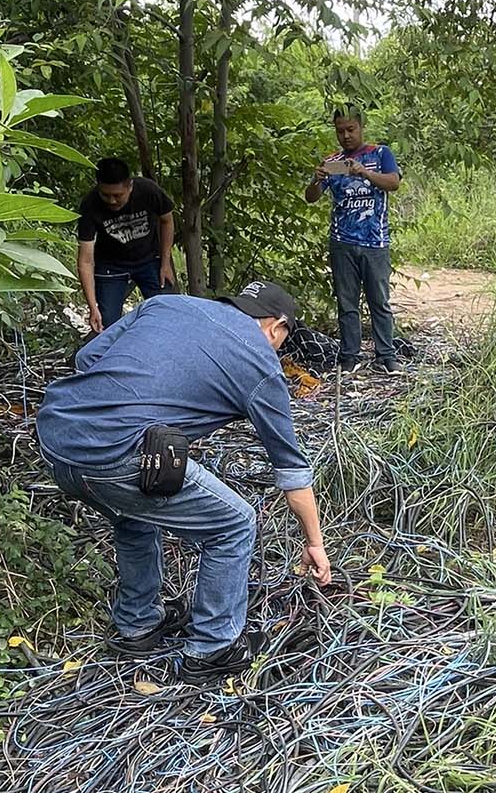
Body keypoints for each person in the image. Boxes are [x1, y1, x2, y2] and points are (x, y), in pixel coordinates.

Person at [35, 280, 332, 682]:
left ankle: (137, 624)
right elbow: (293, 474)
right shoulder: (260, 362)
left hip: (56, 435)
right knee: (234, 523)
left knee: (134, 512)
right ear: (276, 326)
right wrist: (314, 543)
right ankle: (213, 649)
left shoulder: (165, 305)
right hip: (115, 453)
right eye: (284, 338)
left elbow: (88, 358)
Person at [304, 107, 401, 372]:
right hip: (341, 241)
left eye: (350, 129)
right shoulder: (332, 161)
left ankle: (386, 356)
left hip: (375, 241)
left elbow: (393, 183)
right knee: (346, 302)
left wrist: (365, 173)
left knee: (378, 300)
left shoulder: (380, 154)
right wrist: (317, 179)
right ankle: (349, 357)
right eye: (340, 131)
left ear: (361, 127)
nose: (345, 136)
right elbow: (311, 197)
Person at [76, 156, 176, 332]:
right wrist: (93, 308)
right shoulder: (90, 205)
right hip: (110, 266)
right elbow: (85, 260)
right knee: (106, 324)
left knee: (169, 312)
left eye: (118, 195)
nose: (112, 201)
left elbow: (167, 220)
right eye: (106, 195)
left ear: (130, 187)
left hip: (149, 258)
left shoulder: (148, 191)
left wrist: (165, 262)